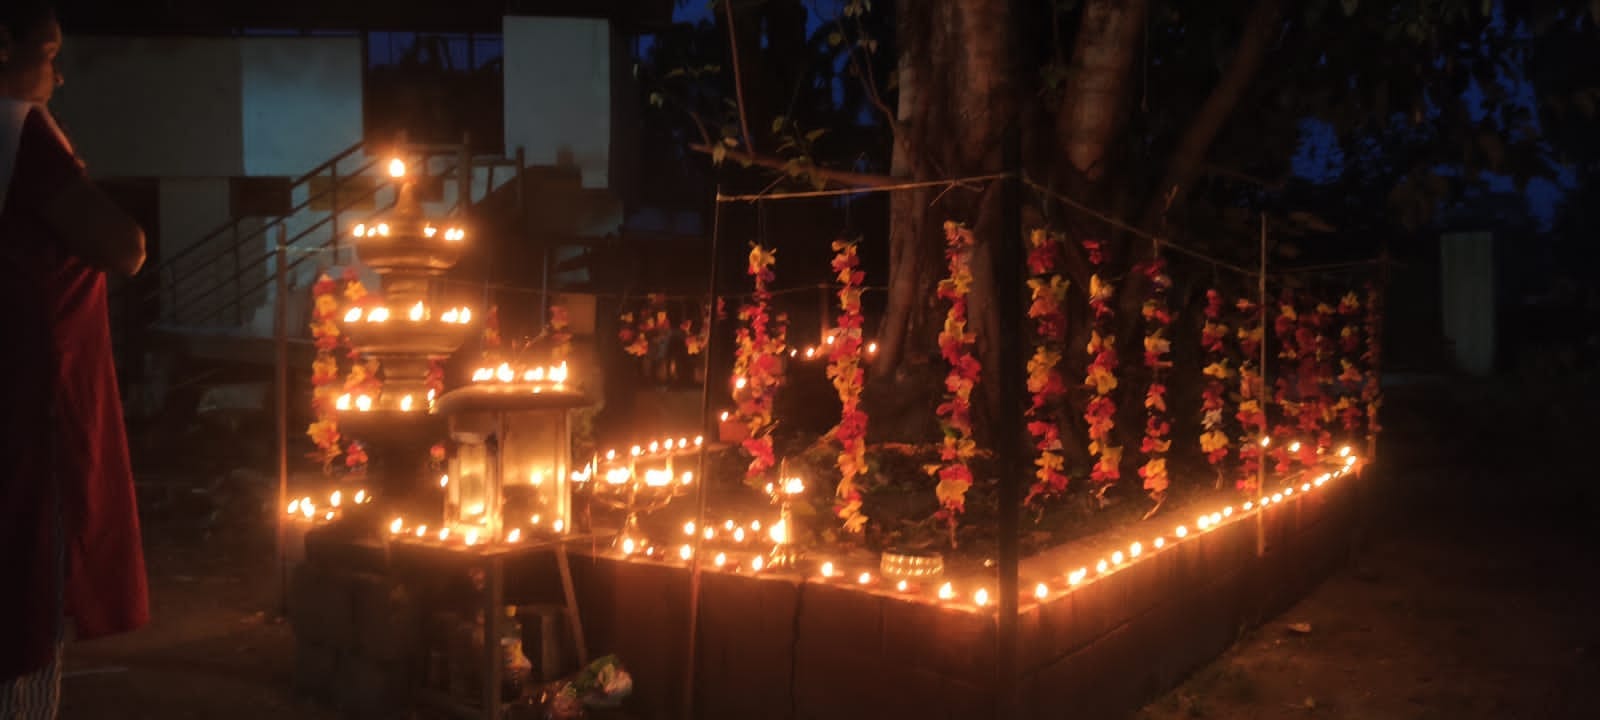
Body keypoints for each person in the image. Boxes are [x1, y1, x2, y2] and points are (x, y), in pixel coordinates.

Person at [1, 2, 150, 717]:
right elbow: (122, 246)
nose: (58, 75)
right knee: (26, 581)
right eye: (50, 54)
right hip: (31, 401)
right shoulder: (18, 134)